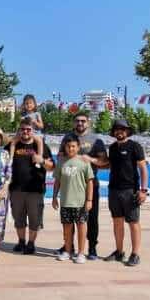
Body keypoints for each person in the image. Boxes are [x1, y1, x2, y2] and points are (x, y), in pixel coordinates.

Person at [57, 111, 108, 259]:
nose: (80, 123)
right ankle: (69, 246)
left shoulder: (96, 140)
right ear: (74, 122)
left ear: (88, 122)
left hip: (90, 185)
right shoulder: (67, 138)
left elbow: (105, 162)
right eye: (77, 121)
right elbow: (61, 157)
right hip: (71, 186)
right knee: (69, 218)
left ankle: (91, 247)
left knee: (91, 218)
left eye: (83, 121)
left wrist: (91, 160)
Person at [104, 120, 148, 266]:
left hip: (130, 191)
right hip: (114, 190)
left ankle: (135, 254)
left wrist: (143, 190)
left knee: (133, 222)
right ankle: (119, 251)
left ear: (127, 131)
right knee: (117, 222)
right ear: (114, 132)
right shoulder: (112, 148)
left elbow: (143, 168)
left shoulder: (135, 146)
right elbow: (109, 165)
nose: (119, 131)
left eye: (122, 129)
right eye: (117, 129)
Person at [8, 118, 54, 255]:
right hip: (16, 189)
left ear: (33, 131)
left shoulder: (41, 146)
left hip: (35, 189)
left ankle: (31, 243)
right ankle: (21, 241)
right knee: (18, 218)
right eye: (22, 129)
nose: (25, 132)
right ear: (19, 130)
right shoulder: (13, 145)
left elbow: (52, 166)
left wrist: (42, 160)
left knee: (35, 219)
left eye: (28, 129)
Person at [53, 135, 94, 264]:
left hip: (80, 203)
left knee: (81, 228)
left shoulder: (84, 162)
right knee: (67, 229)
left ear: (78, 147)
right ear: (65, 147)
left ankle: (81, 253)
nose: (70, 149)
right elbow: (57, 181)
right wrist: (54, 197)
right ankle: (67, 251)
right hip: (66, 201)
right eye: (68, 146)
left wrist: (89, 200)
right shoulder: (61, 162)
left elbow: (90, 182)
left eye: (73, 146)